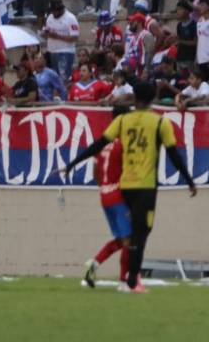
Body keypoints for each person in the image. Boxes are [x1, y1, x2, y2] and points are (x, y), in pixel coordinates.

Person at [65, 81, 197, 293]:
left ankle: (127, 278)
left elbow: (98, 144)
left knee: (130, 236)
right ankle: (132, 281)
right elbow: (174, 154)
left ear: (134, 97)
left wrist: (73, 163)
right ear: (153, 97)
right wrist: (189, 179)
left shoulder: (123, 120)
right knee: (141, 234)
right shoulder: (159, 122)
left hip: (125, 185)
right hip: (145, 186)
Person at [81, 105, 132, 288]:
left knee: (121, 239)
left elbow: (95, 172)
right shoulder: (125, 143)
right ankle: (124, 282)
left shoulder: (102, 142)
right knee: (129, 240)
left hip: (105, 196)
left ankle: (93, 265)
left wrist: (105, 187)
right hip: (119, 195)